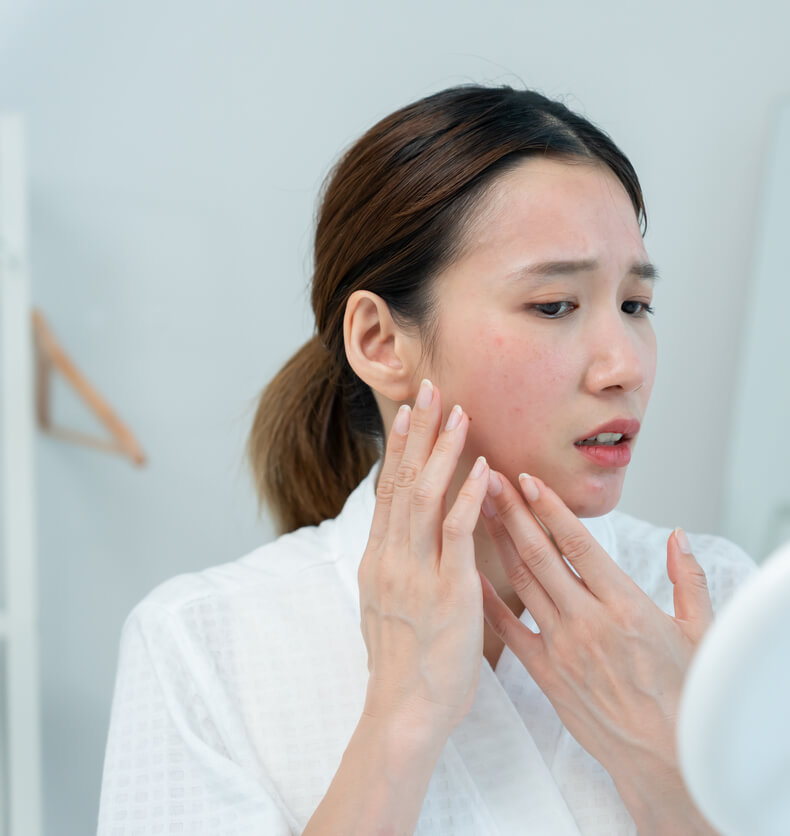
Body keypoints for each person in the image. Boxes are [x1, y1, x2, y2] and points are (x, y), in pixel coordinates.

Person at [98, 85, 757, 835]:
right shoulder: (205, 644)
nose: (625, 367)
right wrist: (400, 721)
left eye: (635, 306)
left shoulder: (724, 606)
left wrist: (674, 771)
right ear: (381, 341)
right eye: (554, 306)